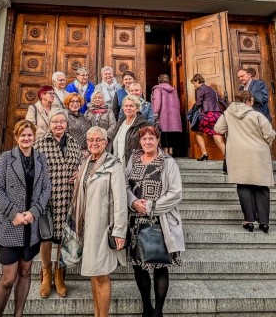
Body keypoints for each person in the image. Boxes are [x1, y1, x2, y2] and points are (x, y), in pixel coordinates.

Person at [0, 120, 51, 317]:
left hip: (30, 225)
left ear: (34, 137)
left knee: (25, 272)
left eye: (29, 135)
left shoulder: (41, 158)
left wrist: (34, 212)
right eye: (22, 135)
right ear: (16, 137)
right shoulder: (7, 158)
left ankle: (19, 314)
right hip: (11, 223)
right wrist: (13, 214)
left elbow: (46, 188)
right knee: (8, 278)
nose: (26, 138)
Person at [125, 126, 184, 317]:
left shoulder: (167, 162)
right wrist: (133, 201)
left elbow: (175, 193)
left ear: (158, 140)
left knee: (160, 265)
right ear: (140, 142)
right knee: (139, 265)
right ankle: (146, 306)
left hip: (159, 219)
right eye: (144, 139)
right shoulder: (133, 158)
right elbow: (124, 184)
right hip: (135, 220)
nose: (147, 142)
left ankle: (158, 310)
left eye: (151, 139)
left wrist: (150, 206)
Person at [72, 126, 127, 317]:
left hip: (103, 226)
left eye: (98, 140)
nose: (94, 143)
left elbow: (120, 200)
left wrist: (119, 230)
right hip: (87, 225)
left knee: (102, 274)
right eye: (90, 140)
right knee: (94, 273)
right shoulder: (86, 162)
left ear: (106, 142)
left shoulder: (114, 164)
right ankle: (97, 314)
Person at [33, 109, 83, 298]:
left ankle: (59, 273)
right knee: (45, 239)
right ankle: (46, 273)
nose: (59, 125)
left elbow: (81, 164)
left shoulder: (73, 143)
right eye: (55, 122)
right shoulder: (39, 144)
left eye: (62, 121)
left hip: (68, 198)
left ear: (66, 124)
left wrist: (79, 172)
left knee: (63, 237)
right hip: (46, 199)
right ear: (49, 123)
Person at [215, 91, 276, 233]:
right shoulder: (257, 115)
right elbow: (269, 134)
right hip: (258, 153)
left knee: (243, 186)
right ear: (248, 100)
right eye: (252, 100)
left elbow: (218, 129)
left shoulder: (227, 114)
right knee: (261, 187)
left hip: (238, 153)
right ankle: (264, 222)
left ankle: (248, 221)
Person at [190, 73, 226, 161]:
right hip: (217, 114)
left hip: (207, 114)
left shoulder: (200, 89)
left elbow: (199, 103)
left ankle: (204, 153)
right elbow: (221, 100)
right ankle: (226, 156)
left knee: (198, 132)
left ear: (198, 81)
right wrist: (229, 108)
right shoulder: (212, 89)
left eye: (194, 84)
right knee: (216, 133)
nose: (194, 86)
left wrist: (193, 111)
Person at [109, 94, 149, 163]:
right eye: (126, 106)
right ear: (123, 108)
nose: (128, 108)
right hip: (117, 163)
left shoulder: (143, 124)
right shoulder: (120, 123)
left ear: (137, 108)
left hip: (134, 165)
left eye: (131, 106)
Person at [150, 74, 182, 155]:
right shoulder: (174, 90)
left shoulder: (158, 89)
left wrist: (154, 113)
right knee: (172, 133)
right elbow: (178, 103)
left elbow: (157, 103)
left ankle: (164, 152)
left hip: (163, 115)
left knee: (164, 133)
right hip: (174, 116)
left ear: (159, 80)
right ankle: (171, 151)